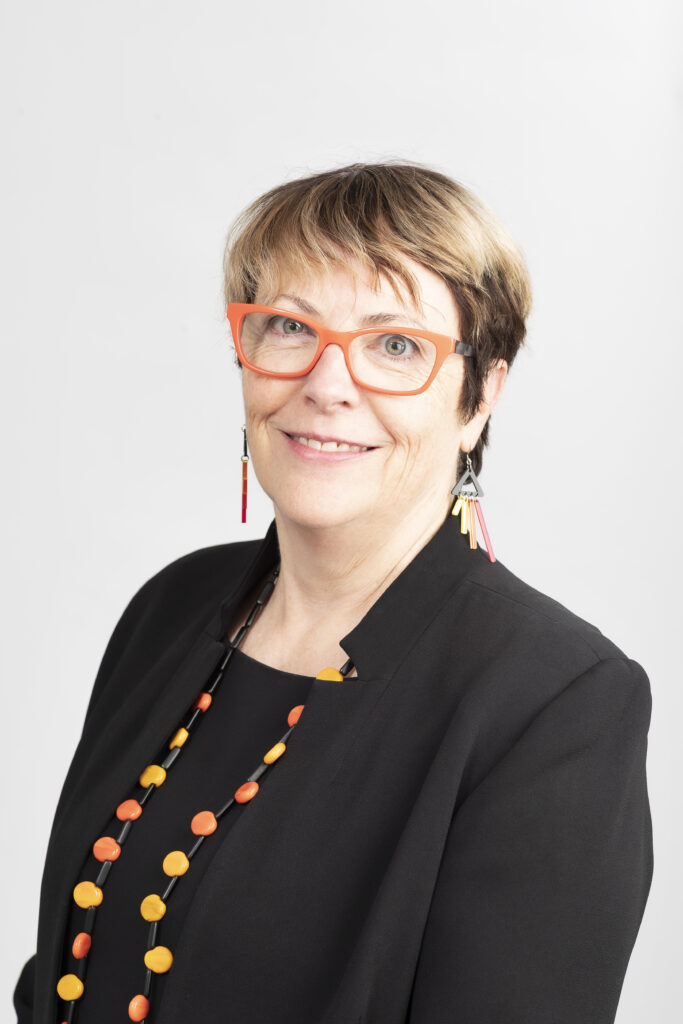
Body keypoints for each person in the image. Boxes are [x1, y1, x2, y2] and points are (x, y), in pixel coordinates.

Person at [14, 161, 653, 1024]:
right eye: (287, 327)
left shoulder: (553, 700)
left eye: (395, 346)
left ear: (479, 395)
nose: (326, 383)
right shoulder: (171, 607)